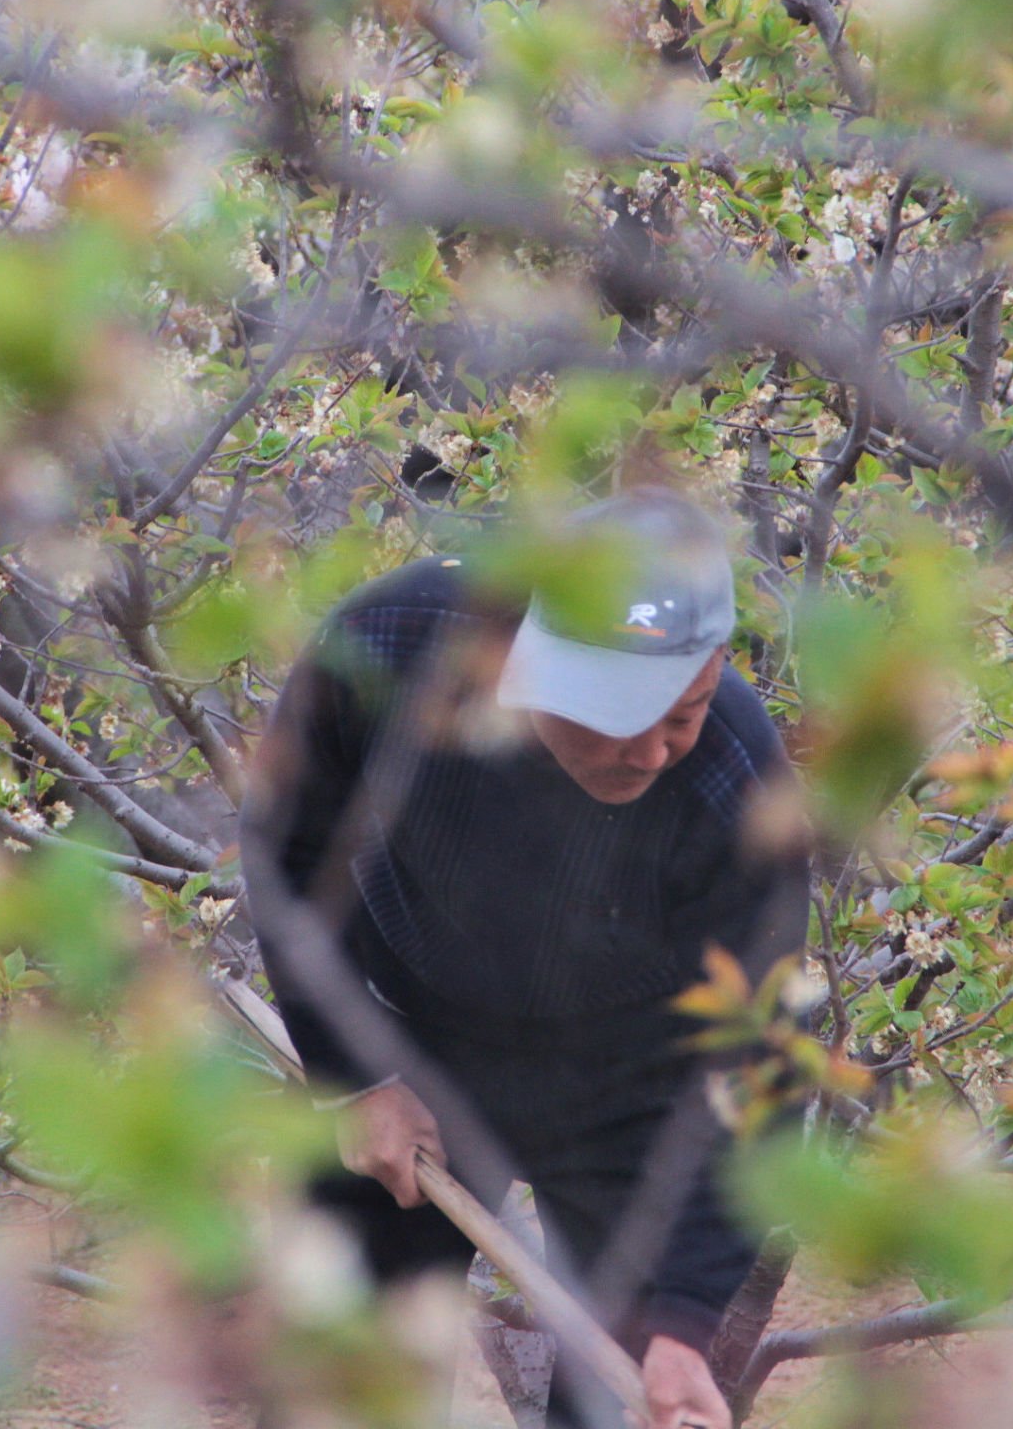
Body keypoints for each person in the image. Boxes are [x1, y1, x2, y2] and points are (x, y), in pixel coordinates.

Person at [239, 488, 806, 1429]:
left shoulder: (732, 785)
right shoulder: (392, 647)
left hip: (638, 1083)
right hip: (421, 1040)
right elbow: (290, 849)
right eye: (617, 713)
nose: (652, 751)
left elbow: (762, 1065)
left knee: (629, 1406)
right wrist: (354, 1076)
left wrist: (681, 1323)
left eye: (685, 709)